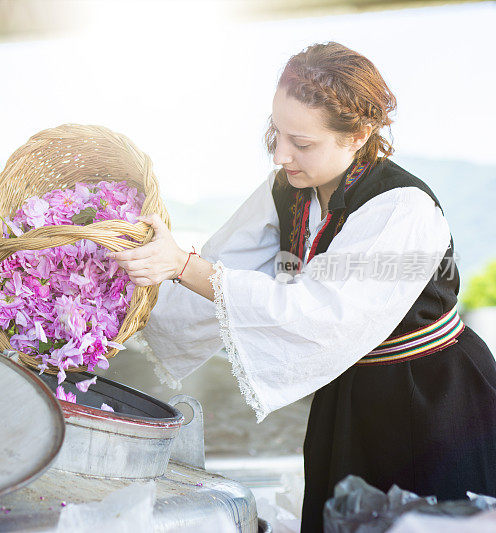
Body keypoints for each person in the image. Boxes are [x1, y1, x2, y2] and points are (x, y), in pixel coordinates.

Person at [109, 42, 496, 531]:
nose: (280, 153)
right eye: (275, 132)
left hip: (432, 402)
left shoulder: (402, 209)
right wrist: (122, 302)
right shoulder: (287, 188)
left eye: (302, 143)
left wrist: (182, 265)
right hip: (349, 397)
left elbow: (315, 312)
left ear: (358, 134)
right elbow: (218, 268)